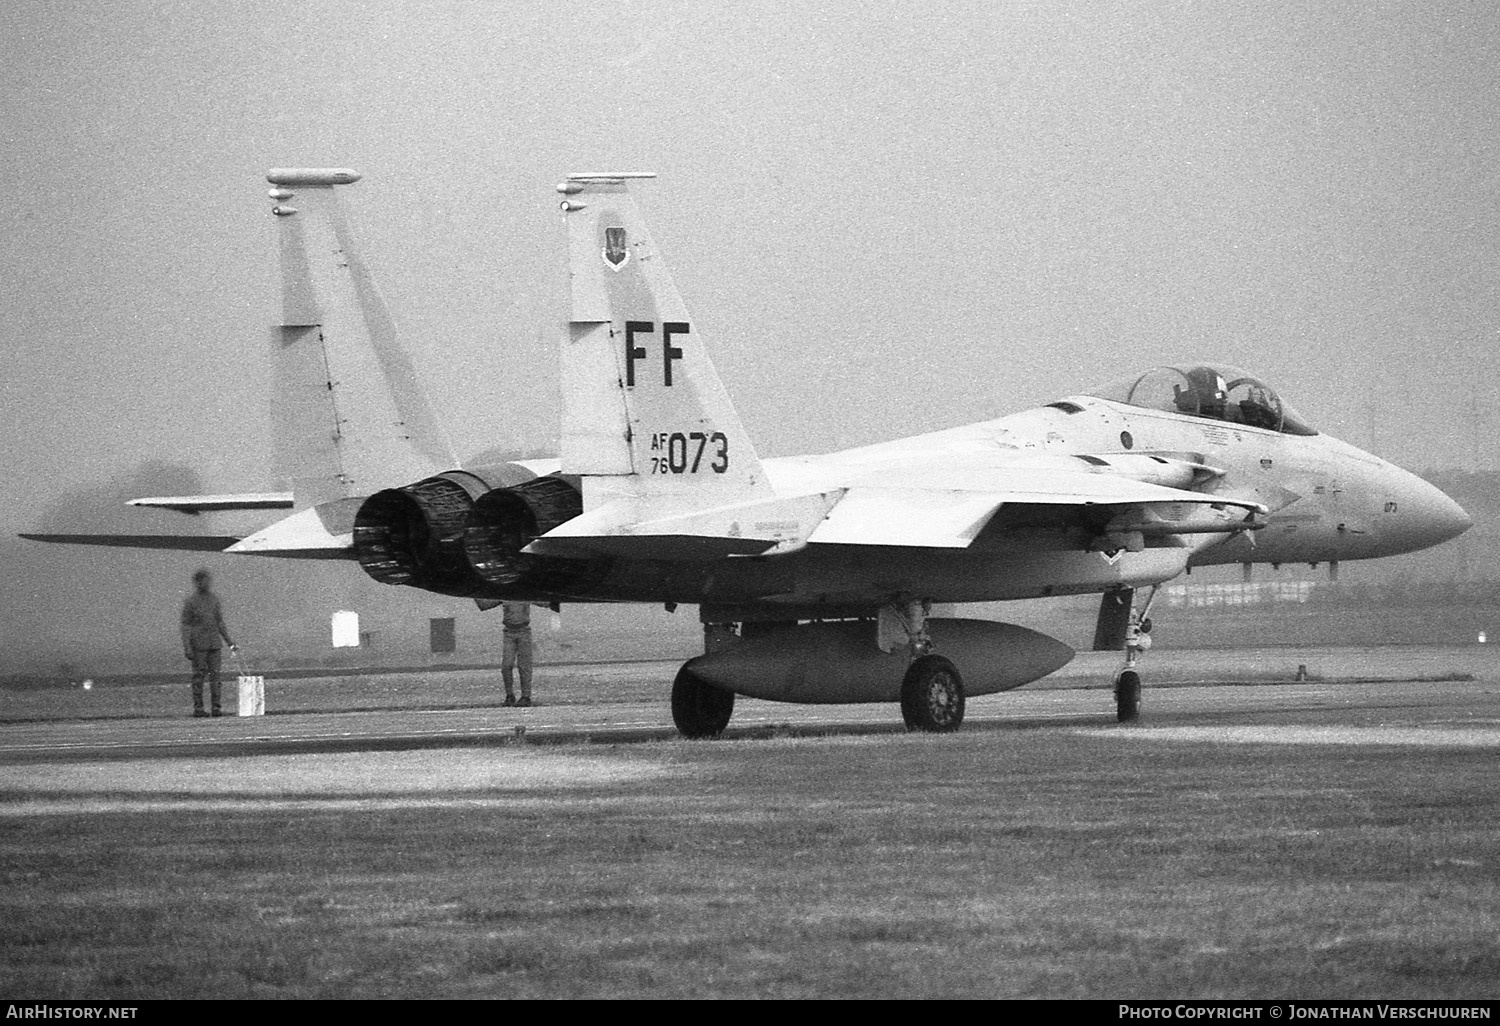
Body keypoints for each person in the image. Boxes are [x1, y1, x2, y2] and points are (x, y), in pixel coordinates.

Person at [181, 568, 237, 718]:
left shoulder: (214, 600)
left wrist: (230, 642)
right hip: (198, 645)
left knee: (216, 678)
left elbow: (219, 622)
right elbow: (185, 625)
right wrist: (187, 647)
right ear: (197, 582)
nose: (206, 583)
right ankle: (199, 709)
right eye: (203, 580)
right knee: (198, 677)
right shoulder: (191, 602)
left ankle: (216, 708)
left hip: (214, 644)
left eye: (207, 580)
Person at [501, 602, 533, 707]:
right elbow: (485, 603)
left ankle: (526, 696)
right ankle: (509, 695)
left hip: (524, 631)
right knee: (506, 665)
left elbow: (544, 601)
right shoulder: (503, 593)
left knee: (524, 666)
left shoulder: (525, 593)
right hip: (508, 632)